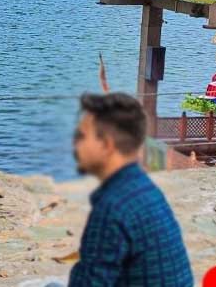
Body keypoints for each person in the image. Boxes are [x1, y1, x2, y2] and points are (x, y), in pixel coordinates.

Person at [70, 93, 193, 286]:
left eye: (82, 136)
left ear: (107, 145)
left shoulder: (112, 206)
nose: (75, 144)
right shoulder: (145, 189)